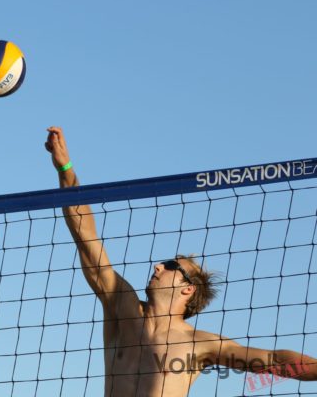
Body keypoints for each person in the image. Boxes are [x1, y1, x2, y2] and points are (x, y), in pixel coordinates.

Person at [44, 126, 317, 397]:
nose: (158, 266)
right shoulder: (121, 305)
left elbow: (273, 361)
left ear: (188, 289)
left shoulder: (200, 344)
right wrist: (65, 169)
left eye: (171, 266)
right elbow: (85, 236)